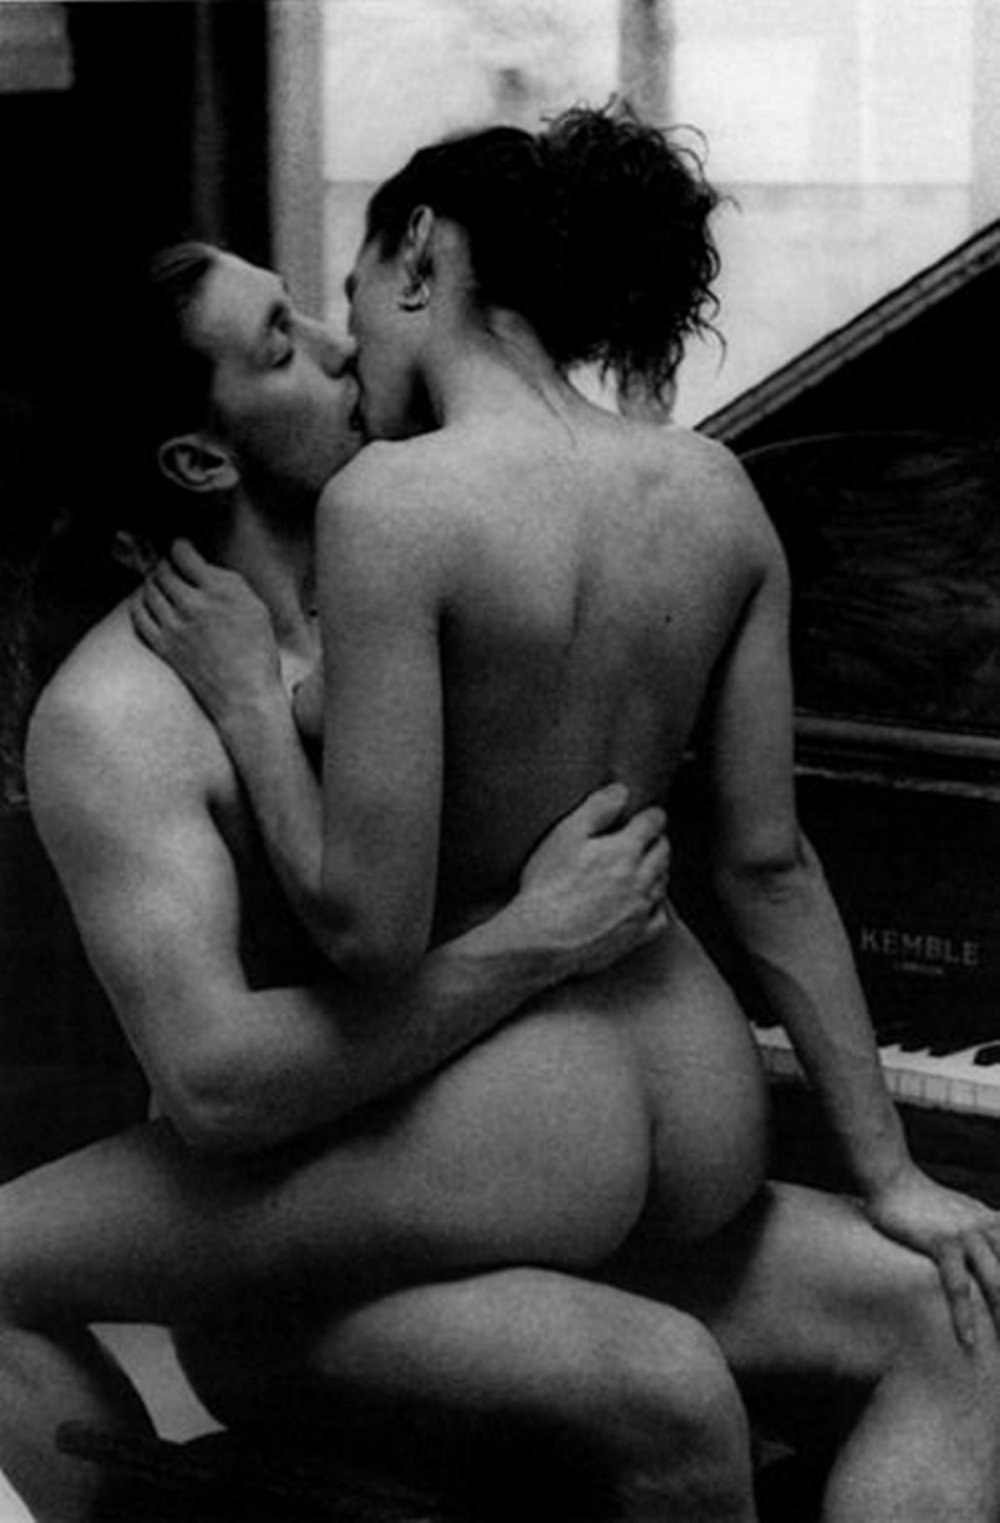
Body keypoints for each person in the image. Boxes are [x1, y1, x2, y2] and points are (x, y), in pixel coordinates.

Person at [126, 104, 1000, 1522]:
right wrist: (889, 1172)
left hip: (523, 1125)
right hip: (703, 1105)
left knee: (58, 1252)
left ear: (421, 254)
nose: (350, 345)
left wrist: (246, 708)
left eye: (352, 289)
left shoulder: (393, 506)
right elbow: (770, 865)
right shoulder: (718, 491)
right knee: (966, 1323)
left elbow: (369, 929)